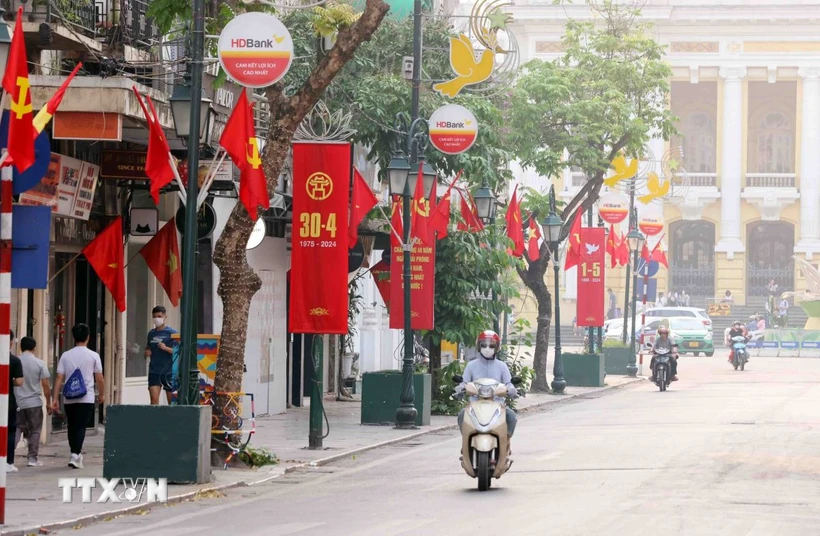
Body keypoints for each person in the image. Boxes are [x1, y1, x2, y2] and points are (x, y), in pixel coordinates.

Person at [456, 330, 518, 456]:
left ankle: (506, 441)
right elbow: (464, 382)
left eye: (491, 345)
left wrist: (512, 389)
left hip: (497, 404)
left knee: (511, 416)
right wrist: (459, 388)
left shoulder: (502, 366)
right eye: (484, 345)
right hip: (475, 403)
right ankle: (465, 442)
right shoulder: (471, 366)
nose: (487, 348)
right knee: (462, 415)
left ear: (497, 348)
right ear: (479, 346)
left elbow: (509, 383)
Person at [52, 324, 104, 469]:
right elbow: (100, 378)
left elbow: (59, 378)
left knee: (72, 425)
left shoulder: (66, 355)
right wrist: (102, 395)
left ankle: (74, 453)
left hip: (69, 397)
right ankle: (75, 454)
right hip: (86, 397)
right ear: (88, 337)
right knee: (80, 426)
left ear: (74, 337)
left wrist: (55, 398)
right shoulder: (93, 356)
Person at [14, 337, 50, 467]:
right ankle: (32, 459)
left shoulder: (15, 361)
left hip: (17, 402)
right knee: (35, 430)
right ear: (34, 348)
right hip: (34, 403)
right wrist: (49, 402)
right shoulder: (39, 363)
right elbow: (45, 385)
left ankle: (7, 457)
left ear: (20, 347)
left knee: (17, 428)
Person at [145, 306, 178, 405]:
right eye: (154, 316)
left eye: (159, 316)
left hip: (169, 371)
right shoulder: (151, 333)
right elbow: (147, 348)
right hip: (154, 370)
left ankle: (171, 420)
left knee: (171, 401)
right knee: (154, 400)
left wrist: (166, 348)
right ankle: (154, 420)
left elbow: (178, 352)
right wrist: (147, 352)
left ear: (165, 317)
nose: (157, 319)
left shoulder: (173, 333)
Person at [6, 330, 23, 473]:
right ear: (11, 342)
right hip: (8, 401)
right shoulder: (15, 361)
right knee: (10, 431)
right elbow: (19, 381)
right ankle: (8, 461)